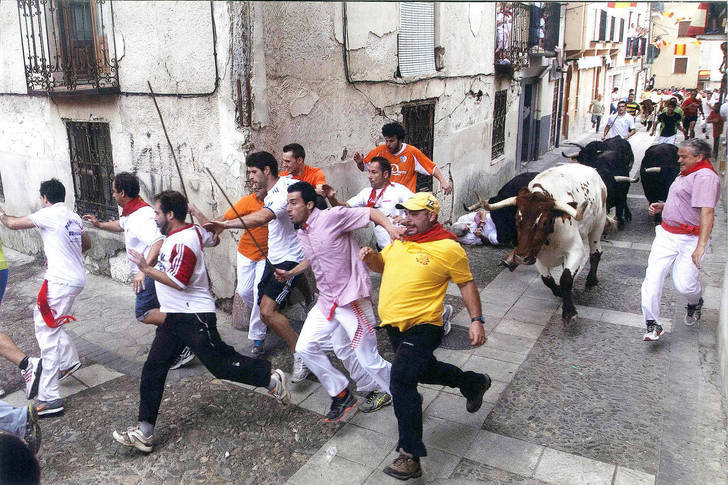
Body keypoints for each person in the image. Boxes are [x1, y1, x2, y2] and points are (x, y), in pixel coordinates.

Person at [113, 190, 290, 453]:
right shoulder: (191, 233)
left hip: (194, 316)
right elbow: (214, 238)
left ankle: (271, 378)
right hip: (175, 317)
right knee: (154, 367)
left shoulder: (183, 242)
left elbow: (179, 281)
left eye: (158, 212)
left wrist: (147, 269)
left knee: (221, 366)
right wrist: (199, 217)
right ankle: (145, 432)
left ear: (170, 215)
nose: (155, 217)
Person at [361, 192, 490, 481]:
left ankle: (409, 455)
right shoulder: (401, 240)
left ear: (431, 216)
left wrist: (476, 321)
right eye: (405, 213)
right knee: (426, 371)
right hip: (395, 325)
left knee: (402, 379)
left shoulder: (448, 247)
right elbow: (385, 266)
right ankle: (474, 383)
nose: (406, 218)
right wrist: (372, 260)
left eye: (414, 214)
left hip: (424, 326)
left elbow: (467, 285)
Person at [280, 182, 401, 421]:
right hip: (327, 302)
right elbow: (314, 257)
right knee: (307, 348)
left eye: (293, 203)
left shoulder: (332, 217)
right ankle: (342, 393)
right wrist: (291, 272)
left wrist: (390, 228)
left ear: (310, 204)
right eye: (288, 203)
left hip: (351, 299)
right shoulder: (302, 231)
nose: (288, 208)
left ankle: (403, 392)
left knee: (368, 358)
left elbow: (370, 212)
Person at [205, 152, 310, 382]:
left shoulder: (282, 190)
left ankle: (302, 353)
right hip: (274, 258)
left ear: (267, 171)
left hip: (289, 259)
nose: (251, 177)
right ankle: (300, 318)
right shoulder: (280, 188)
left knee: (267, 311)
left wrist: (224, 224)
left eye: (254, 172)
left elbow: (262, 218)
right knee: (263, 310)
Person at [82, 173, 193, 370]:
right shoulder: (132, 211)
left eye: (115, 191)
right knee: (161, 312)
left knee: (144, 313)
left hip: (152, 274)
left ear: (123, 193)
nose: (113, 195)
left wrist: (144, 270)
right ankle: (178, 346)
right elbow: (121, 225)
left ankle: (189, 333)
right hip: (152, 272)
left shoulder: (141, 217)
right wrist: (99, 224)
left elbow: (158, 242)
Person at [0, 179, 91, 417]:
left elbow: (12, 224)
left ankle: (51, 397)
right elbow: (87, 242)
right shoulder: (73, 217)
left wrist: (1, 213)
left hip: (60, 281)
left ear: (44, 198)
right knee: (51, 322)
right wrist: (67, 252)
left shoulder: (48, 214)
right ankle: (69, 361)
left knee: (46, 332)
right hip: (75, 278)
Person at [641, 139, 721, 341]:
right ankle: (653, 324)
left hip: (690, 239)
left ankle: (695, 302)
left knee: (684, 285)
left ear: (699, 157)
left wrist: (701, 246)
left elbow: (707, 212)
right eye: (679, 156)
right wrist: (664, 206)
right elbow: (685, 200)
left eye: (683, 156)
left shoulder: (705, 177)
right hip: (667, 234)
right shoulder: (687, 171)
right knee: (653, 277)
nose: (679, 160)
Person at [189, 178, 270, 356]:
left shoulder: (275, 201)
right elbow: (219, 222)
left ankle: (258, 338)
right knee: (246, 291)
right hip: (246, 253)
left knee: (258, 292)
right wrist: (196, 213)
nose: (254, 185)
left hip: (268, 255)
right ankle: (265, 315)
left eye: (258, 182)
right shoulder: (247, 202)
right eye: (252, 183)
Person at [326, 157, 414, 250]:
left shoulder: (399, 190)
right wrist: (331, 198)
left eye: (374, 172)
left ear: (385, 174)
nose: (369, 176)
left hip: (403, 247)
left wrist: (406, 221)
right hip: (382, 249)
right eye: (369, 172)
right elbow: (343, 208)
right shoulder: (366, 193)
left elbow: (419, 208)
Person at [353, 122, 452, 195]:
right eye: (386, 140)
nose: (388, 144)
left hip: (406, 201)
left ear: (400, 140)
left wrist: (443, 181)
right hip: (385, 199)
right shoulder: (379, 151)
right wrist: (359, 163)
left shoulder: (412, 152)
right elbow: (364, 167)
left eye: (391, 141)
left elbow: (431, 168)